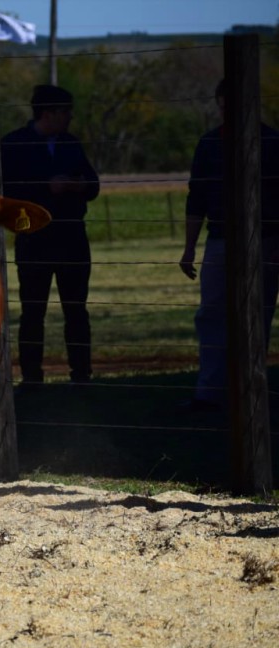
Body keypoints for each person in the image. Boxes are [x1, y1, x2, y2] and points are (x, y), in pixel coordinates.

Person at [177, 79, 279, 412]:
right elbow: (197, 197)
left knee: (257, 313)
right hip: (220, 238)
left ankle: (251, 387)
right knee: (211, 314)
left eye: (231, 107)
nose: (226, 114)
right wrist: (189, 247)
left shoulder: (271, 142)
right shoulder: (209, 144)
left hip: (265, 240)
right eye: (222, 107)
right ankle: (209, 391)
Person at [1, 84, 100, 387]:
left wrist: (79, 186)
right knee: (33, 311)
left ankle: (81, 375)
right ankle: (32, 378)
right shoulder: (14, 144)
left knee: (76, 310)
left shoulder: (71, 143)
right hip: (35, 239)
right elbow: (5, 191)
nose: (70, 117)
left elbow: (93, 184)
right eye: (65, 111)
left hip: (72, 238)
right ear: (48, 113)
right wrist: (48, 187)